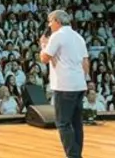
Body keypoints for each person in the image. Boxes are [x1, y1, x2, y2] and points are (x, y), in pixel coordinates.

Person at [40, 10, 89, 158]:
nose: (49, 25)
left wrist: (43, 45)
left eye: (50, 21)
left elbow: (44, 58)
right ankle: (77, 154)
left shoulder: (57, 36)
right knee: (76, 123)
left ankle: (72, 156)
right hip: (79, 84)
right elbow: (85, 62)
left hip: (64, 85)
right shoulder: (78, 37)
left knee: (63, 123)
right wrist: (83, 79)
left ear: (57, 21)